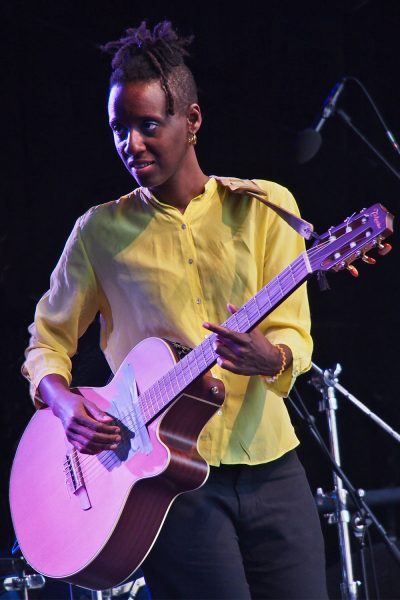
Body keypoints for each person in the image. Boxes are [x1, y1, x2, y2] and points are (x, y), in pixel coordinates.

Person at [22, 20, 328, 599]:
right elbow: (46, 340)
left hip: (272, 465)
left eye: (148, 125)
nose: (131, 144)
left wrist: (272, 357)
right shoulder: (98, 232)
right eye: (119, 128)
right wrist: (63, 405)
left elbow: (295, 337)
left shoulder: (266, 209)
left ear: (192, 121)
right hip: (169, 487)